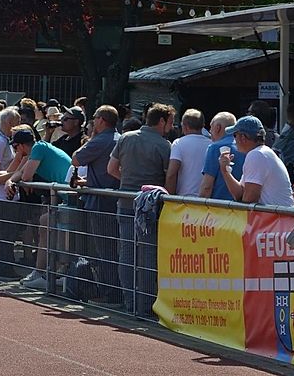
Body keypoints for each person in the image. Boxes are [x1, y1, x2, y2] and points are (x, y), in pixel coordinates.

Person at [107, 103, 174, 313]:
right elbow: (169, 176)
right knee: (147, 257)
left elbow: (111, 169)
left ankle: (130, 302)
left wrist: (128, 182)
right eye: (170, 122)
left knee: (126, 254)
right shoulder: (164, 145)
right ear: (161, 121)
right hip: (151, 208)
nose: (172, 126)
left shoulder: (126, 138)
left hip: (126, 202)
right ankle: (145, 305)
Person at [5, 129, 72, 289]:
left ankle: (46, 272)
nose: (15, 152)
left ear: (21, 146)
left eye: (15, 148)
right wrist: (10, 182)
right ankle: (45, 271)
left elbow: (26, 175)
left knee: (48, 225)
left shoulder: (39, 148)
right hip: (67, 198)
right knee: (46, 225)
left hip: (72, 199)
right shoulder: (40, 148)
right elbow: (19, 172)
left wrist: (14, 180)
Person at [72, 104, 122, 302]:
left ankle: (111, 295)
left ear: (101, 120)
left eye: (94, 117)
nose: (92, 121)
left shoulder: (100, 139)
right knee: (119, 249)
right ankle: (119, 293)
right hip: (118, 198)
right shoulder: (120, 138)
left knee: (105, 250)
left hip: (101, 202)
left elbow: (76, 159)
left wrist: (91, 137)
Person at [218, 116, 294, 207]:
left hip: (280, 219)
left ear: (243, 137)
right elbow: (240, 195)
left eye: (235, 135)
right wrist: (225, 171)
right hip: (279, 218)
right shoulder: (260, 153)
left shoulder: (257, 155)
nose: (234, 140)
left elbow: (249, 199)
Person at [165, 108, 210, 196]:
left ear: (185, 126)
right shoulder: (212, 145)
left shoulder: (178, 143)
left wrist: (170, 198)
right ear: (202, 126)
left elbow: (171, 174)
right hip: (206, 200)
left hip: (183, 199)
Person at [199, 112, 241, 200]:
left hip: (219, 207)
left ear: (218, 128)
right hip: (242, 208)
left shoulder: (214, 148)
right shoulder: (244, 147)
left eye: (211, 127)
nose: (210, 131)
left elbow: (207, 186)